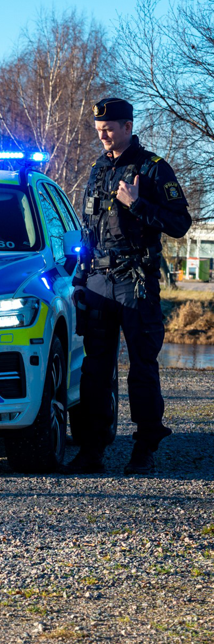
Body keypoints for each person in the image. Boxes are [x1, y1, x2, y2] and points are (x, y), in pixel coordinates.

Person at [66, 98, 192, 475]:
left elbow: (180, 223)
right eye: (98, 128)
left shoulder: (153, 168)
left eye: (109, 128)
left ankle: (144, 452)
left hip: (136, 282)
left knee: (142, 369)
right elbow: (90, 231)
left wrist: (137, 205)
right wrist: (79, 277)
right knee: (95, 372)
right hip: (99, 283)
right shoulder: (96, 169)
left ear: (127, 126)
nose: (102, 134)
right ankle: (91, 452)